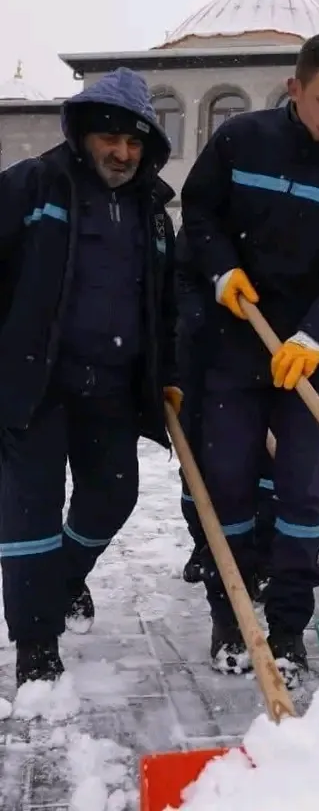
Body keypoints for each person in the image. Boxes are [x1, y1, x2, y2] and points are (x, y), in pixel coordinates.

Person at [180, 32, 319, 684]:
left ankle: (285, 628)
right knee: (230, 484)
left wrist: (315, 336)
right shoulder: (240, 141)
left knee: (303, 492)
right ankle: (230, 612)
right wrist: (221, 270)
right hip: (236, 341)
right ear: (294, 88)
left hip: (317, 354)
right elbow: (200, 211)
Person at [0, 68, 179, 688]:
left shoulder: (155, 214)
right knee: (31, 512)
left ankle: (65, 579)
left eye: (134, 142)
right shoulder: (31, 186)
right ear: (81, 132)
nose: (122, 152)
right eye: (110, 137)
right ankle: (35, 644)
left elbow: (165, 305)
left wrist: (168, 374)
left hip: (113, 385)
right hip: (35, 382)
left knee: (113, 495)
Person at [174, 226, 276, 592]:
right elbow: (181, 280)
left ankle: (260, 555)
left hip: (262, 358)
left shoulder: (270, 221)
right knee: (199, 465)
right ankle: (205, 542)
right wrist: (206, 323)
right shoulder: (199, 229)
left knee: (263, 467)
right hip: (199, 361)